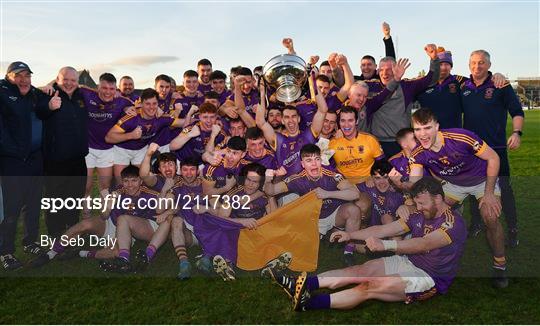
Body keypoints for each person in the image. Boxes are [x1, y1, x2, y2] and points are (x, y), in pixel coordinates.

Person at [270, 178, 466, 311]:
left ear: (439, 198)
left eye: (423, 203)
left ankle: (309, 304)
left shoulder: (453, 223)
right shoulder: (418, 212)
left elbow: (423, 244)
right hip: (408, 261)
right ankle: (300, 284)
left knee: (368, 287)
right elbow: (383, 230)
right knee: (358, 270)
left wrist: (386, 246)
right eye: (417, 203)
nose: (419, 208)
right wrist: (349, 234)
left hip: (428, 277)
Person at [408, 108, 508, 288]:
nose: (422, 134)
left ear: (437, 127)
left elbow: (493, 158)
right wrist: (405, 191)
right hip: (453, 185)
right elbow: (413, 182)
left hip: (482, 180)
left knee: (490, 216)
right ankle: (430, 256)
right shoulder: (417, 153)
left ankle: (499, 264)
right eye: (417, 130)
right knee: (427, 211)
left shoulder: (461, 137)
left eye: (427, 128)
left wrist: (488, 193)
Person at [461, 50, 524, 247]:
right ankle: (477, 223)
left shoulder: (500, 84)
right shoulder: (463, 85)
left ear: (489, 65)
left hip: (496, 149)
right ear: (468, 64)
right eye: (473, 63)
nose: (476, 67)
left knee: (504, 189)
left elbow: (516, 111)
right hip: (472, 150)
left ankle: (513, 229)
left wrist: (516, 133)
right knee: (473, 189)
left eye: (481, 63)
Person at [0, 61, 56, 269]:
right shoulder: (2, 92)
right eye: (19, 75)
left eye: (27, 75)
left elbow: (43, 109)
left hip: (35, 159)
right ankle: (5, 252)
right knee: (11, 209)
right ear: (8, 76)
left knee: (33, 204)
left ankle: (30, 241)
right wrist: (13, 151)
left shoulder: (32, 92)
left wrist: (49, 98)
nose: (24, 79)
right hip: (13, 161)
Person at [264, 144, 361, 264]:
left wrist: (328, 194)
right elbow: (271, 191)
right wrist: (268, 179)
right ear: (302, 164)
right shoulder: (297, 179)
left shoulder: (332, 176)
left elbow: (355, 194)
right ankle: (319, 236)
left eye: (317, 159)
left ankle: (349, 252)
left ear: (321, 161)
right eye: (309, 160)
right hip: (312, 218)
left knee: (354, 210)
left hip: (333, 214)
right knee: (302, 253)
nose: (314, 164)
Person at [41, 67, 88, 238]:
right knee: (55, 199)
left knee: (75, 196)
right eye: (64, 79)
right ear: (57, 79)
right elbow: (39, 110)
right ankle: (55, 234)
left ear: (77, 81)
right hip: (55, 160)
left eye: (73, 80)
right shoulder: (48, 94)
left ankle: (72, 230)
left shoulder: (81, 96)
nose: (69, 83)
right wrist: (48, 104)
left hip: (78, 158)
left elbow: (98, 93)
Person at [369, 44, 440, 157]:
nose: (385, 73)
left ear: (397, 69)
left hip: (401, 142)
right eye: (381, 69)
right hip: (377, 143)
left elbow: (431, 80)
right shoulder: (370, 87)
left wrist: (434, 59)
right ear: (377, 71)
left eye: (389, 69)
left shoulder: (407, 86)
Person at [105, 88, 183, 177]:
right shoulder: (132, 117)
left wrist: (199, 121)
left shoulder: (160, 117)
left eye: (154, 104)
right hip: (122, 150)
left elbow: (181, 122)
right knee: (121, 181)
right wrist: (131, 135)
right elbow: (109, 137)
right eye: (147, 104)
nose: (151, 107)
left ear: (158, 104)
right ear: (141, 104)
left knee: (142, 180)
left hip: (141, 150)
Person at [328, 106, 385, 184]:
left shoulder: (370, 140)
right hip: (344, 184)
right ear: (339, 122)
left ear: (357, 121)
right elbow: (323, 165)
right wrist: (335, 176)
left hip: (367, 182)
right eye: (343, 121)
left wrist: (373, 176)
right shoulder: (332, 142)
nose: (346, 125)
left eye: (350, 120)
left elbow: (382, 163)